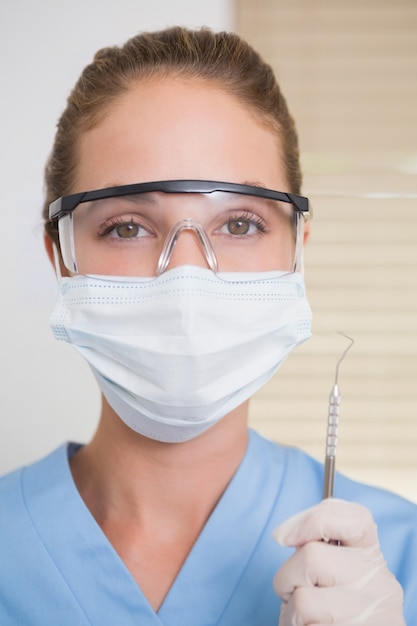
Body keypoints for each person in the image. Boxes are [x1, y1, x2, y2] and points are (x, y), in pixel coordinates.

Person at [0, 26, 416, 626]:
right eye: (128, 226)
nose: (187, 280)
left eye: (240, 224)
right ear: (62, 258)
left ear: (297, 251)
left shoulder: (398, 561)